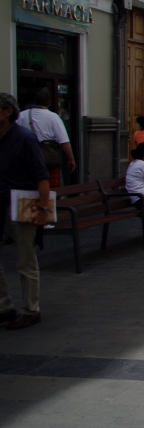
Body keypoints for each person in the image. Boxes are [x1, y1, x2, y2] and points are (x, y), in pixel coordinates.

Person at [0, 93, 51, 330]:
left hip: (21, 205)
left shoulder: (24, 138)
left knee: (25, 259)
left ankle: (31, 310)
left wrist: (43, 208)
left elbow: (42, 177)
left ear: (7, 111)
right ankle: (4, 307)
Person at [17, 89, 75, 187]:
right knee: (51, 187)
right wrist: (71, 159)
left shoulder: (21, 115)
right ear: (49, 103)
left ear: (34, 101)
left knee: (28, 186)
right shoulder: (53, 117)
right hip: (48, 160)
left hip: (27, 159)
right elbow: (64, 141)